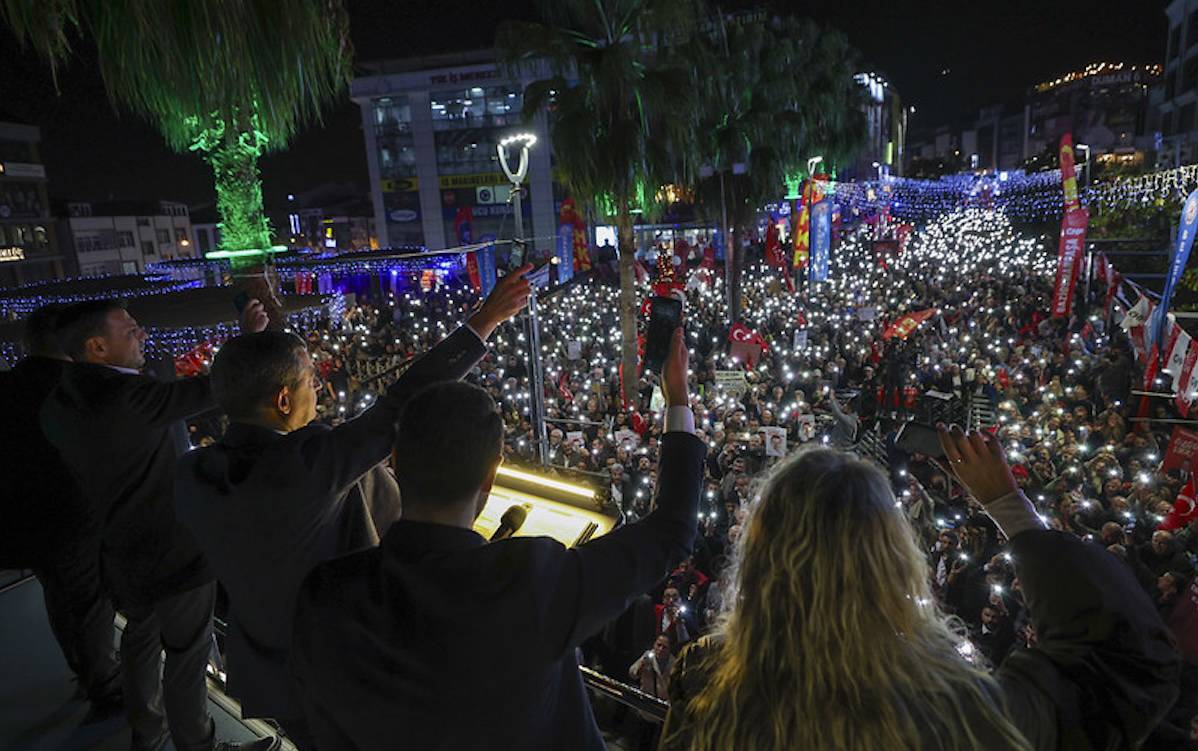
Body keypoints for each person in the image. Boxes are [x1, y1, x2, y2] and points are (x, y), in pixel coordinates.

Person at [291, 328, 705, 750]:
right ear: (491, 476)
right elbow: (672, 528)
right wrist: (676, 394)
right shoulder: (530, 581)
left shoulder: (325, 594)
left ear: (395, 460)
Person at [173, 268, 532, 748]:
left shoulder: (193, 475)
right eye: (309, 382)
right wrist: (483, 321)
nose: (318, 391)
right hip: (346, 667)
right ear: (284, 399)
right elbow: (400, 402)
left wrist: (250, 348)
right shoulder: (306, 467)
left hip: (268, 670)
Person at [660, 427, 1180, 750]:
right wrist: (1010, 507)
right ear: (895, 561)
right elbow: (1122, 659)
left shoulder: (707, 682)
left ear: (757, 562)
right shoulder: (959, 710)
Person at [41, 298, 276, 751]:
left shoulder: (60, 402)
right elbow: (218, 388)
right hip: (173, 549)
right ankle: (197, 745)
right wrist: (248, 337)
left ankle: (147, 736)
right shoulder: (127, 398)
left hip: (119, 548)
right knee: (187, 655)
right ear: (97, 346)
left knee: (141, 640)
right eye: (129, 330)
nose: (143, 334)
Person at [0, 304, 121, 717]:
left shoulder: (9, 384)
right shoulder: (74, 387)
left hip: (22, 518)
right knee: (90, 602)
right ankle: (104, 685)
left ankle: (82, 667)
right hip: (73, 514)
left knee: (58, 592)